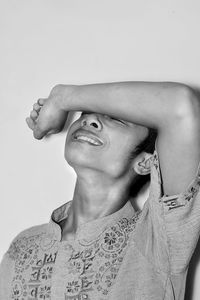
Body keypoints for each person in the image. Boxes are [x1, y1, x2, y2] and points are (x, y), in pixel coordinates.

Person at [0, 81, 200, 300]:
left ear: (146, 162)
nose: (89, 119)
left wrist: (62, 98)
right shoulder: (22, 247)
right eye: (85, 113)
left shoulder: (157, 240)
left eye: (116, 119)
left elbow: (181, 106)